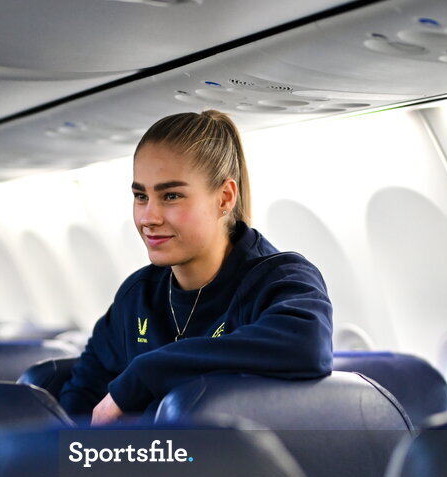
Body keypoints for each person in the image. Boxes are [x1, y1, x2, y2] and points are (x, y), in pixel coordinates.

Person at [58, 109, 333, 424]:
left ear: (225, 198)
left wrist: (145, 373)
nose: (149, 217)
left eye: (171, 196)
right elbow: (79, 400)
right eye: (140, 196)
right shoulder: (137, 296)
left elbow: (306, 346)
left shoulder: (279, 279)